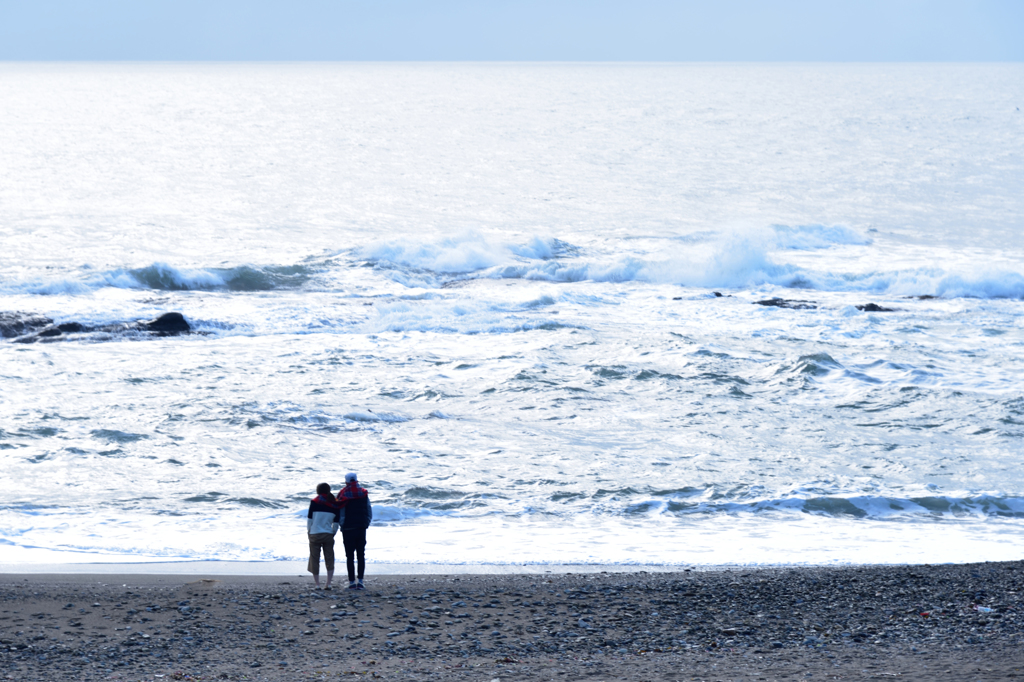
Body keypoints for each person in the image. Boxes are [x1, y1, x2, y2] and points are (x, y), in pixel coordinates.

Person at [336, 472, 372, 590]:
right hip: (361, 527)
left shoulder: (342, 494)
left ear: (346, 481)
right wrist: (366, 523)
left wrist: (342, 525)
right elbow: (368, 510)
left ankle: (352, 582)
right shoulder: (363, 493)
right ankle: (360, 582)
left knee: (349, 556)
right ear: (356, 480)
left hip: (348, 529)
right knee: (361, 555)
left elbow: (340, 512)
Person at [306, 482, 340, 590]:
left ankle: (317, 585)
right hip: (328, 534)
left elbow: (309, 520)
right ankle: (328, 584)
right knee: (329, 558)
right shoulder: (335, 503)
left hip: (314, 534)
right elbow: (336, 523)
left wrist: (309, 531)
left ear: (318, 491)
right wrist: (332, 533)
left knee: (314, 559)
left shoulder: (314, 502)